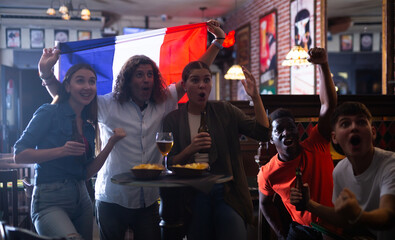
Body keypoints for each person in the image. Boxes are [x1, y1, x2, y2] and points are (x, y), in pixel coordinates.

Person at [38, 20, 225, 240]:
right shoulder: (108, 104)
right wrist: (47, 75)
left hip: (148, 200)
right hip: (112, 198)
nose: (146, 79)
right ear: (127, 80)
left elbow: (193, 75)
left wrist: (218, 42)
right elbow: (69, 100)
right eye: (139, 74)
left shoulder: (165, 100)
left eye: (149, 75)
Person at [13, 63, 126, 240]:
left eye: (92, 82)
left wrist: (111, 143)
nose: (87, 87)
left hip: (82, 198)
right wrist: (62, 150)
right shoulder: (49, 112)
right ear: (67, 86)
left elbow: (87, 173)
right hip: (49, 200)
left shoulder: (88, 126)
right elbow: (19, 154)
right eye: (80, 81)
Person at [163, 61, 270, 240]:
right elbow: (168, 163)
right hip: (192, 192)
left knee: (234, 230)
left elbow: (262, 133)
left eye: (206, 80)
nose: (202, 85)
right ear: (185, 85)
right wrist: (190, 149)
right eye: (195, 80)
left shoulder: (224, 110)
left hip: (226, 190)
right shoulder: (173, 119)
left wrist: (256, 97)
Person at [257, 47, 337, 239]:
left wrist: (323, 65)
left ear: (297, 130)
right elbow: (265, 204)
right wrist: (282, 234)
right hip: (301, 231)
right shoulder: (267, 172)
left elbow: (328, 105)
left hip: (335, 227)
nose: (286, 132)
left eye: (291, 127)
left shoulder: (316, 143)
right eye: (279, 130)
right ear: (272, 138)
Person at [290, 101, 395, 239]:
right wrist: (309, 204)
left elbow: (389, 216)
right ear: (334, 137)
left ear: (373, 132)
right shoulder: (340, 171)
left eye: (361, 122)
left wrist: (358, 215)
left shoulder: (390, 164)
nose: (354, 128)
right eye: (345, 124)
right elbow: (344, 220)